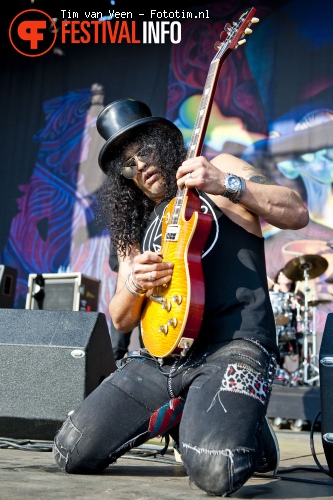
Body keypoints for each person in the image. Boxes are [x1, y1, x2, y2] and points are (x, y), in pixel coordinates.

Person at [53, 99, 309, 496]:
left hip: (235, 346)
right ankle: (183, 412)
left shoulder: (220, 168)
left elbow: (296, 213)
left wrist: (226, 183)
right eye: (127, 163)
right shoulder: (134, 228)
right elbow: (121, 320)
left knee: (216, 470)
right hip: (161, 359)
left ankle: (250, 430)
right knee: (71, 451)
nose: (138, 165)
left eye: (144, 150)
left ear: (165, 142)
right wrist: (135, 284)